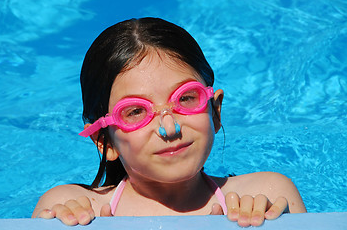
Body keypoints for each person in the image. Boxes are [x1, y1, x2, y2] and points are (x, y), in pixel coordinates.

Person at [32, 17, 306, 227]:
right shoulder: (73, 210)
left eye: (186, 98)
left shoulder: (267, 197)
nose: (169, 128)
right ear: (104, 142)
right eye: (136, 111)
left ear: (215, 111)